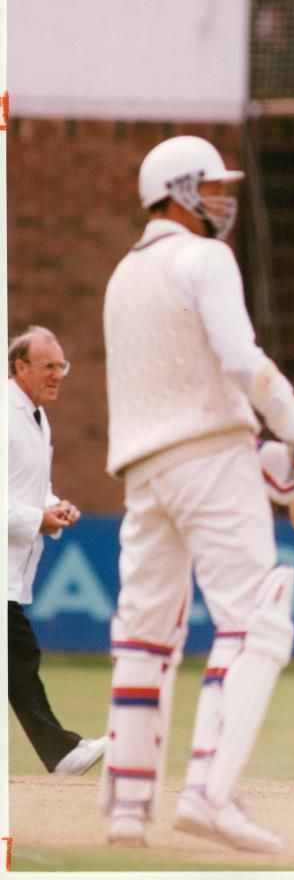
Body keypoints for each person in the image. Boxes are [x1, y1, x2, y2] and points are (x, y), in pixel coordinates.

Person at [101, 135, 294, 852]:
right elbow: (238, 360)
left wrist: (267, 456)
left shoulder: (122, 275)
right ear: (179, 189)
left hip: (144, 472)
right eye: (214, 186)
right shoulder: (204, 258)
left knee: (143, 635)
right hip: (209, 458)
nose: (224, 199)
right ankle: (209, 793)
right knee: (256, 620)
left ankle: (126, 810)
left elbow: (179, 386)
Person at [8, 325, 107, 775]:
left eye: (61, 366)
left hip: (13, 569)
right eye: (49, 366)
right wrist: (37, 519)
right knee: (20, 657)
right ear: (21, 368)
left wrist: (54, 506)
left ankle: (61, 752)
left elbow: (32, 488)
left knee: (17, 659)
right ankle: (63, 753)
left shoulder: (37, 418)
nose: (59, 375)